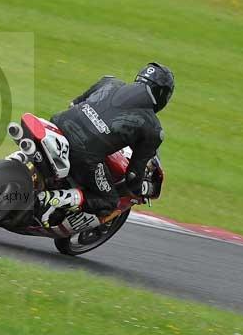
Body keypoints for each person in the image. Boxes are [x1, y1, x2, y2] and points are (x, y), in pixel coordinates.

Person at [38, 62, 174, 227]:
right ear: (162, 94)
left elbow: (73, 104)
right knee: (108, 201)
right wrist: (139, 190)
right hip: (84, 154)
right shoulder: (153, 128)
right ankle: (53, 199)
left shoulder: (109, 82)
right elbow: (133, 175)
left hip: (58, 125)